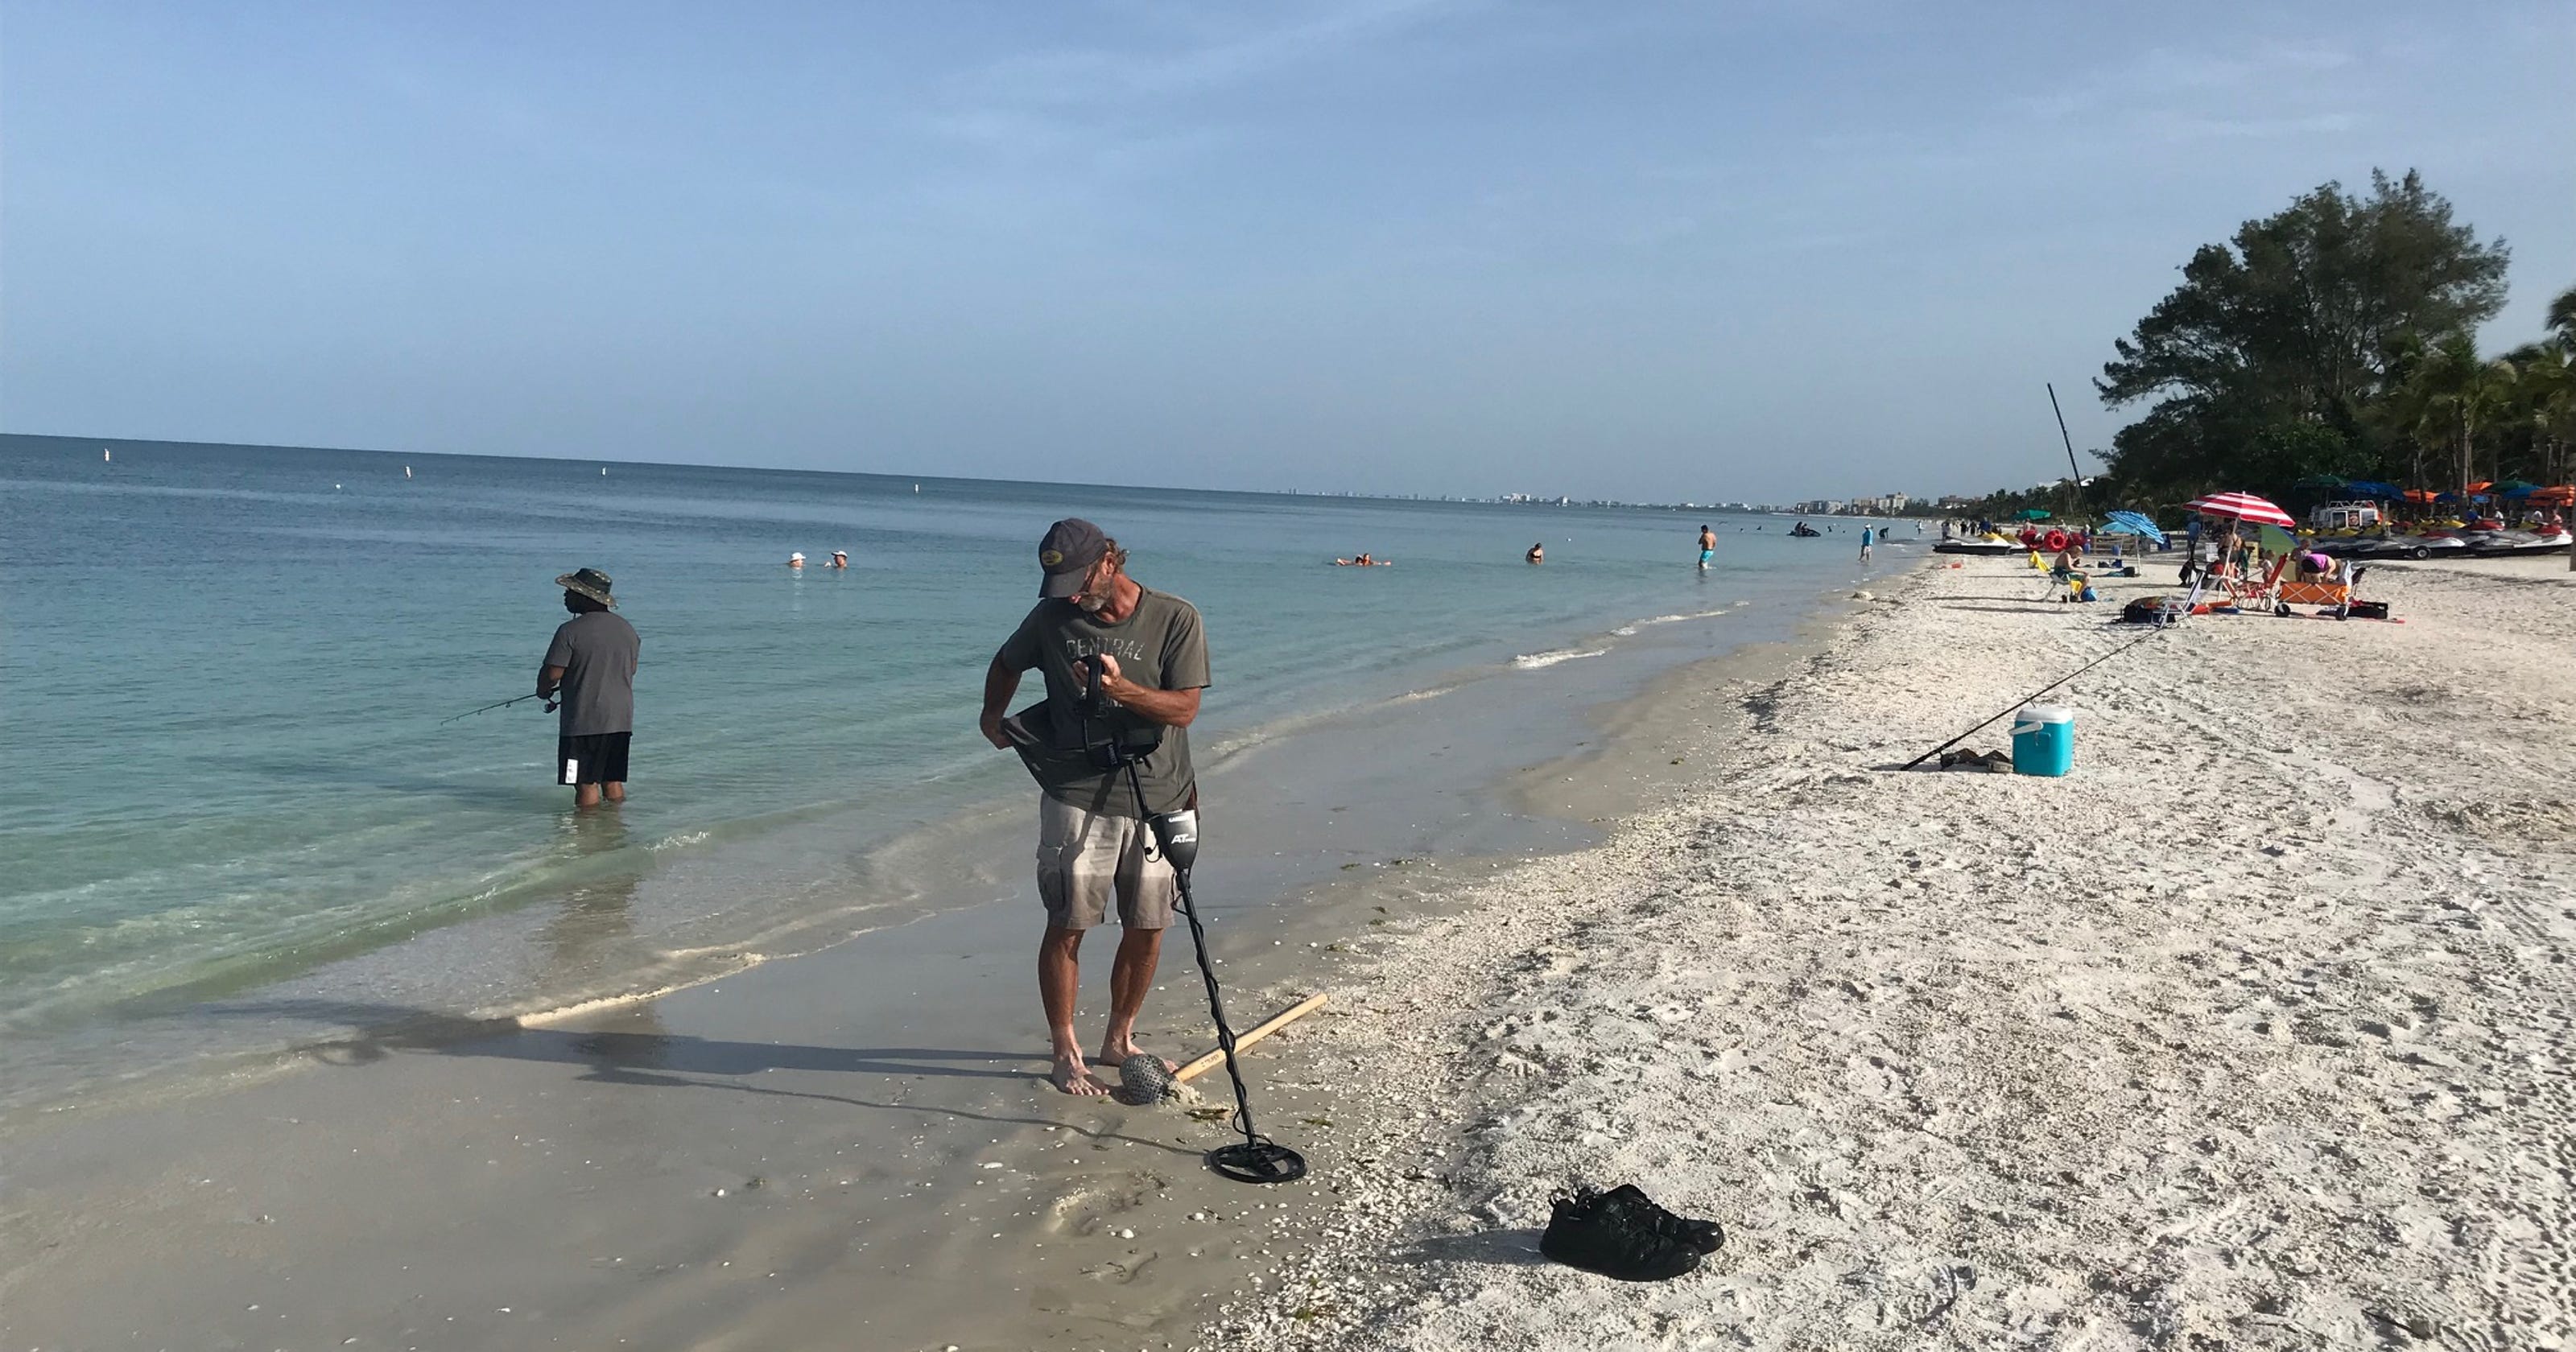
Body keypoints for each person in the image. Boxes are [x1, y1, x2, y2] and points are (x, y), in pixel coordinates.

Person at [978, 519, 1210, 1097]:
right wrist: (990, 717)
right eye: (1061, 586)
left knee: (1149, 924)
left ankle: (1119, 1038)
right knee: (1068, 922)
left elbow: (1183, 710)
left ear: (1109, 561)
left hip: (1160, 795)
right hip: (1075, 797)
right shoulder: (1051, 619)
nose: (1073, 597)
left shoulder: (1175, 618)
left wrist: (1120, 690)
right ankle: (1065, 1049)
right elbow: (1006, 662)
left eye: (1080, 582)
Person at [539, 568, 640, 810]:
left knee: (583, 782)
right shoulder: (628, 630)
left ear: (585, 596)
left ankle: (586, 839)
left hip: (583, 722)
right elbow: (630, 670)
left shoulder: (569, 631)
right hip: (620, 720)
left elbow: (552, 673)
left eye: (570, 591)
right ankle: (616, 830)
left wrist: (543, 690)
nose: (565, 596)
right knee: (612, 779)